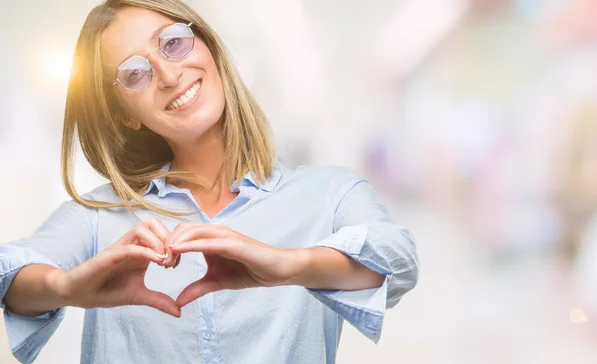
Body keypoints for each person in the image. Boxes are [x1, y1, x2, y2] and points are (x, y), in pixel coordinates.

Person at [0, 1, 419, 363]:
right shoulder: (100, 216)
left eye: (173, 42)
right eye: (134, 74)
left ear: (208, 47)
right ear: (127, 115)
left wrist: (287, 265)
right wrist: (66, 286)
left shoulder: (329, 195)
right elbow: (9, 277)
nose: (167, 74)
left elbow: (396, 260)